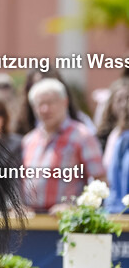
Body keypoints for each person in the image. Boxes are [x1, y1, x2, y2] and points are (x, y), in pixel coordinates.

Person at [21, 78, 105, 213]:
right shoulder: (29, 140)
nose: (45, 109)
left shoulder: (82, 136)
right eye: (40, 104)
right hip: (33, 224)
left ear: (65, 102)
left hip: (67, 222)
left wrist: (74, 206)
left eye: (50, 102)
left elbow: (100, 182)